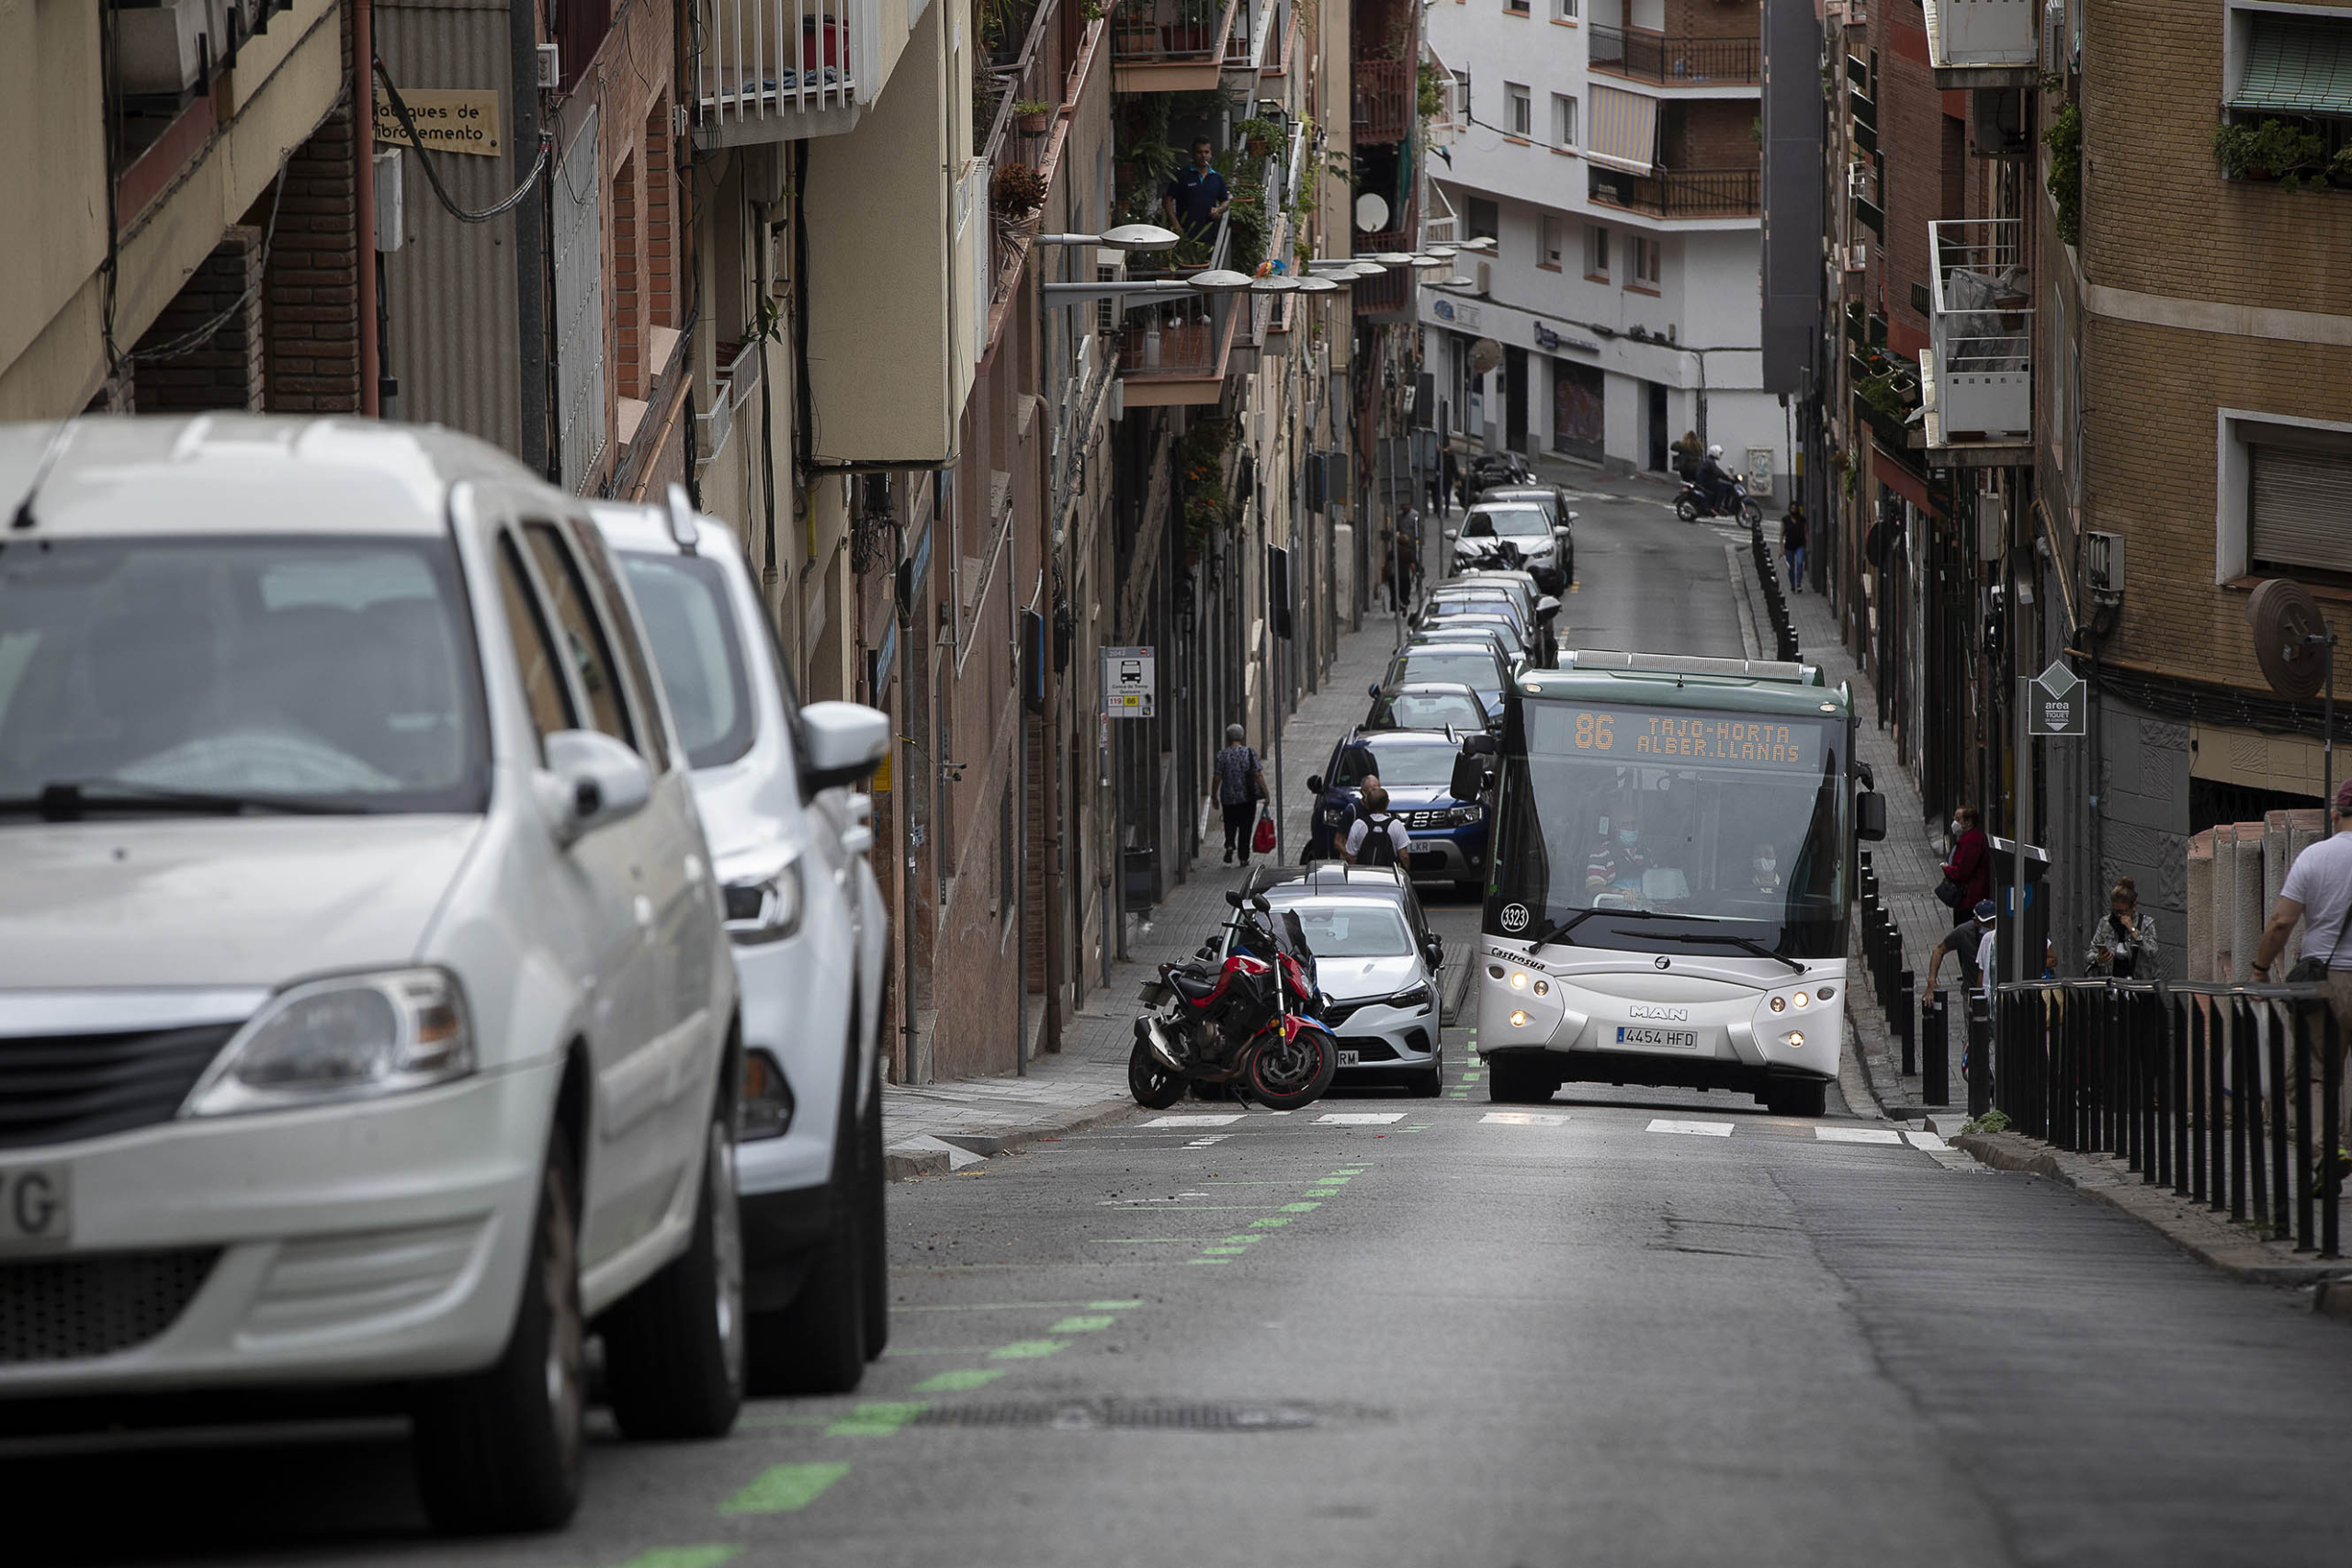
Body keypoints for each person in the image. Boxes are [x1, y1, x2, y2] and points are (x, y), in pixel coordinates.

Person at [2248, 780, 2352, 1165]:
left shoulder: (2314, 857)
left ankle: (2328, 1151)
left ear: (2335, 815)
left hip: (2325, 984)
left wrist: (2260, 970)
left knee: (2316, 1071)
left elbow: (2280, 922)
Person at [1211, 722, 1266, 865]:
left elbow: (1217, 777)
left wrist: (1213, 795)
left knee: (1229, 823)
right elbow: (1258, 774)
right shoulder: (1249, 753)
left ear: (1228, 738)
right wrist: (1266, 792)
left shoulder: (1222, 755)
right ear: (1241, 736)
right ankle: (1243, 858)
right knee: (1245, 827)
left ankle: (1229, 845)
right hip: (1247, 797)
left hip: (1228, 797)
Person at [2084, 876, 2158, 978]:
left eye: (2123, 912)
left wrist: (2133, 930)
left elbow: (2152, 952)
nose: (2118, 915)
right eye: (2115, 911)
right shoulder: (2106, 923)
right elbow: (2090, 952)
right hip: (2112, 980)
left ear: (2133, 906)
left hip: (2139, 982)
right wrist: (2098, 958)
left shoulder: (2146, 923)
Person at [1160, 138, 1229, 243]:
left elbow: (1225, 200)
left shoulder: (1217, 177)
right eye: (1199, 152)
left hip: (1210, 235)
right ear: (1193, 154)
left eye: (1206, 152)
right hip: (1185, 234)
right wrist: (1176, 226)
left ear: (1211, 154)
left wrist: (1219, 209)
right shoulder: (1182, 175)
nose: (1203, 156)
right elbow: (1167, 200)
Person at [1584, 806, 1650, 900]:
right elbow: (1593, 888)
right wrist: (1615, 892)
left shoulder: (1646, 852)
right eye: (1625, 824)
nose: (1631, 828)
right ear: (1615, 828)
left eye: (1634, 823)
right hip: (1614, 911)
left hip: (1646, 910)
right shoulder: (1602, 852)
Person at [1303, 770, 1371, 863]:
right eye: (1372, 790)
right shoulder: (1351, 810)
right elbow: (1338, 841)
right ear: (1363, 792)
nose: (1374, 795)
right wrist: (1350, 858)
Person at [1343, 784, 1413, 869]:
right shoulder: (1396, 825)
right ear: (1387, 803)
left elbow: (1350, 856)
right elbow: (1404, 856)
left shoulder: (1358, 824)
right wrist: (1406, 873)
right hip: (1389, 877)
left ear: (1368, 804)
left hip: (1363, 876)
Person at [1942, 805, 1990, 912]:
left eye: (1958, 820)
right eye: (1954, 819)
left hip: (1970, 898)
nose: (1955, 823)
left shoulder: (1971, 841)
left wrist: (1947, 869)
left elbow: (1962, 871)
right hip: (1969, 896)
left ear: (1968, 822)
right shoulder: (1969, 838)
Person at [1697, 444, 1736, 516]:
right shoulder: (1709, 462)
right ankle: (1716, 508)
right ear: (1715, 453)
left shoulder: (1711, 461)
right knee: (1722, 488)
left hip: (1710, 480)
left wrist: (1726, 477)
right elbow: (1717, 472)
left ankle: (1725, 506)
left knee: (1729, 487)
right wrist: (1727, 477)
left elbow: (1717, 471)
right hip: (1706, 482)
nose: (1720, 455)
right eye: (1719, 453)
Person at [1781, 502, 1808, 593]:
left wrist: (1807, 546)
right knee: (1791, 567)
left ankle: (1799, 584)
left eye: (1795, 508)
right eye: (1792, 508)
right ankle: (1793, 585)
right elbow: (1781, 534)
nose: (1793, 510)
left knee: (1799, 563)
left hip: (1800, 545)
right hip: (1789, 546)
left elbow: (1806, 533)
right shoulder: (1785, 520)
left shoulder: (1802, 520)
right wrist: (1781, 549)